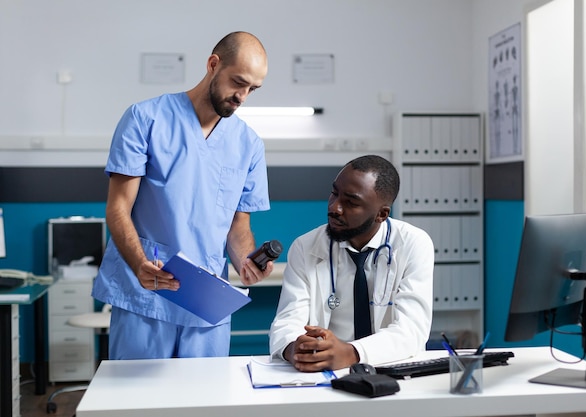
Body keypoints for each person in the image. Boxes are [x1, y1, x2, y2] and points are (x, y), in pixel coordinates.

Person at [92, 31, 274, 360]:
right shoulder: (144, 119)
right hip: (146, 295)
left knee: (204, 404)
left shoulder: (248, 145)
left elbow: (238, 224)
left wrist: (247, 262)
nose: (242, 96)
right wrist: (139, 265)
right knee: (136, 406)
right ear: (213, 64)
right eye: (238, 82)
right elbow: (118, 208)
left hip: (206, 306)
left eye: (252, 89)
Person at [269, 155, 434, 371]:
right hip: (326, 371)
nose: (334, 208)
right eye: (334, 193)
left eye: (351, 202)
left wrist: (351, 353)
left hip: (391, 366)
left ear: (381, 214)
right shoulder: (305, 247)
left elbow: (411, 330)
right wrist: (294, 348)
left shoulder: (413, 244)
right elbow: (288, 320)